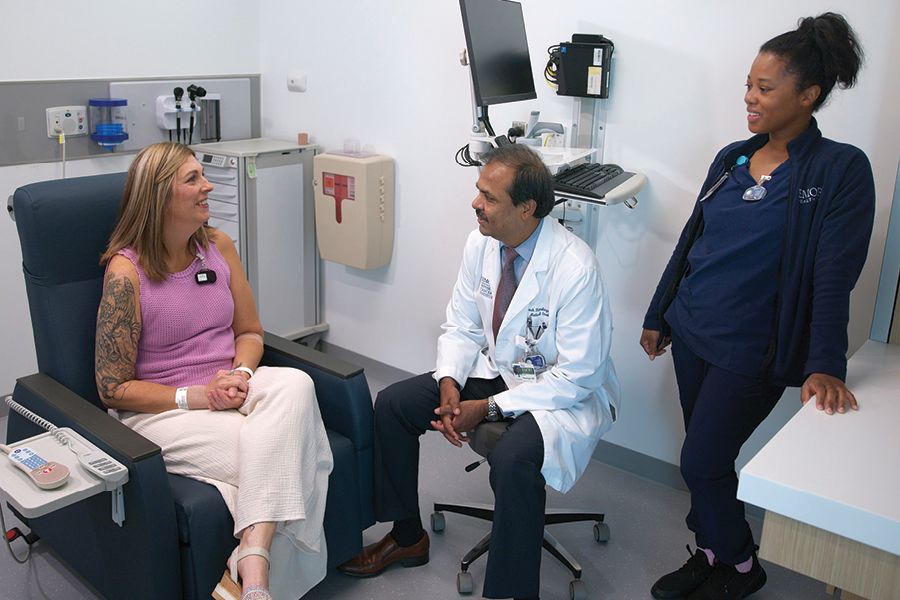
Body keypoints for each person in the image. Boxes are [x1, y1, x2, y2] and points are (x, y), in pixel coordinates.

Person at [640, 13, 875, 600]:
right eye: (749, 84)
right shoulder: (731, 158)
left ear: (809, 95)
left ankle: (743, 567)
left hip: (752, 349)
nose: (749, 97)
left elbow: (832, 275)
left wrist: (826, 363)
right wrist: (658, 311)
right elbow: (694, 238)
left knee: (701, 462)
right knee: (705, 457)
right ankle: (713, 550)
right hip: (693, 331)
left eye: (764, 88)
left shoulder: (839, 170)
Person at [337, 144, 620, 600]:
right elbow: (462, 325)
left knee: (513, 459)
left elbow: (578, 375)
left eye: (488, 197)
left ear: (526, 208)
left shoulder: (575, 267)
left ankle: (511, 591)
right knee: (393, 405)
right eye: (478, 192)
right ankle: (408, 537)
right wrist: (449, 380)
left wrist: (488, 407)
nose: (475, 204)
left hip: (560, 392)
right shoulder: (481, 243)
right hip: (500, 370)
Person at [94, 142, 333, 600]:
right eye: (192, 179)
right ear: (160, 196)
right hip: (165, 408)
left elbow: (250, 332)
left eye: (202, 175)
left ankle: (241, 566)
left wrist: (240, 375)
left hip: (230, 385)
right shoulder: (126, 274)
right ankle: (256, 577)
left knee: (297, 383)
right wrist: (198, 395)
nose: (207, 186)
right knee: (298, 452)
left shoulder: (218, 247)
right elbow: (112, 388)